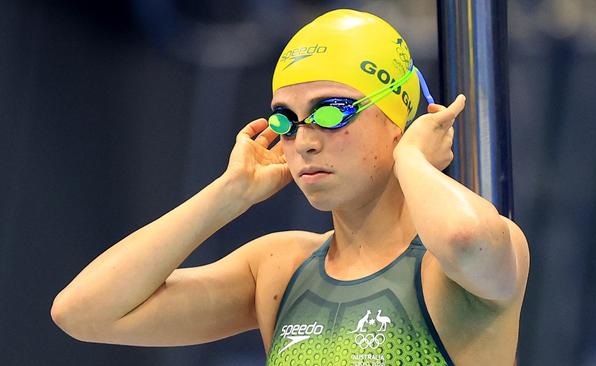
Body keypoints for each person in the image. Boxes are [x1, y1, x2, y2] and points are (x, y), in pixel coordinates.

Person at [51, 9, 529, 366]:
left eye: (333, 110)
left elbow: (466, 239)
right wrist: (226, 195)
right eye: (287, 119)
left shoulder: (459, 263)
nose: (304, 140)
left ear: (400, 118)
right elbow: (84, 312)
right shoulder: (280, 269)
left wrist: (410, 159)